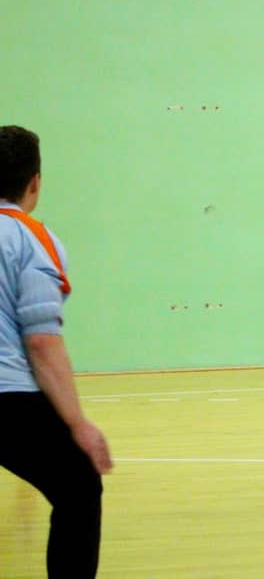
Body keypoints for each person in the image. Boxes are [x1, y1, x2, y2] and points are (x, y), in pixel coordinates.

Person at [0, 125, 112, 577]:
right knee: (79, 489)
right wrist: (77, 422)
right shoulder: (29, 238)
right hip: (8, 396)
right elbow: (41, 339)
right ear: (35, 182)